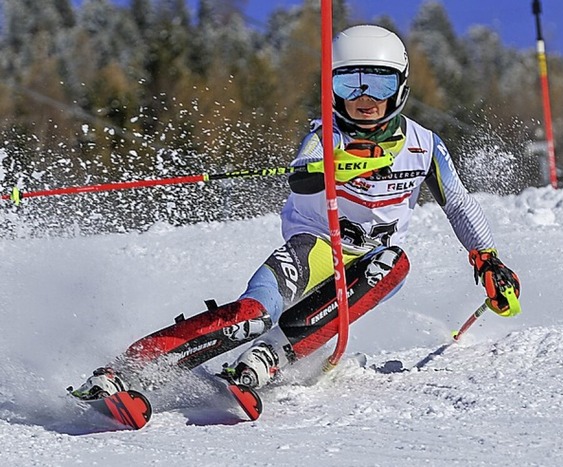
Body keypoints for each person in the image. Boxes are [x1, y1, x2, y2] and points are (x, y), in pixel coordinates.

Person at [71, 24, 520, 399]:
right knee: (251, 316)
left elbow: (458, 202)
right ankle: (124, 372)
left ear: (400, 88)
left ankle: (270, 357)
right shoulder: (326, 135)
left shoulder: (425, 146)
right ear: (333, 89)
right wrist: (335, 167)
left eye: (378, 84)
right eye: (350, 83)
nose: (364, 98)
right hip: (314, 250)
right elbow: (301, 176)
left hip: (364, 266)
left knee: (394, 263)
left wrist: (487, 259)